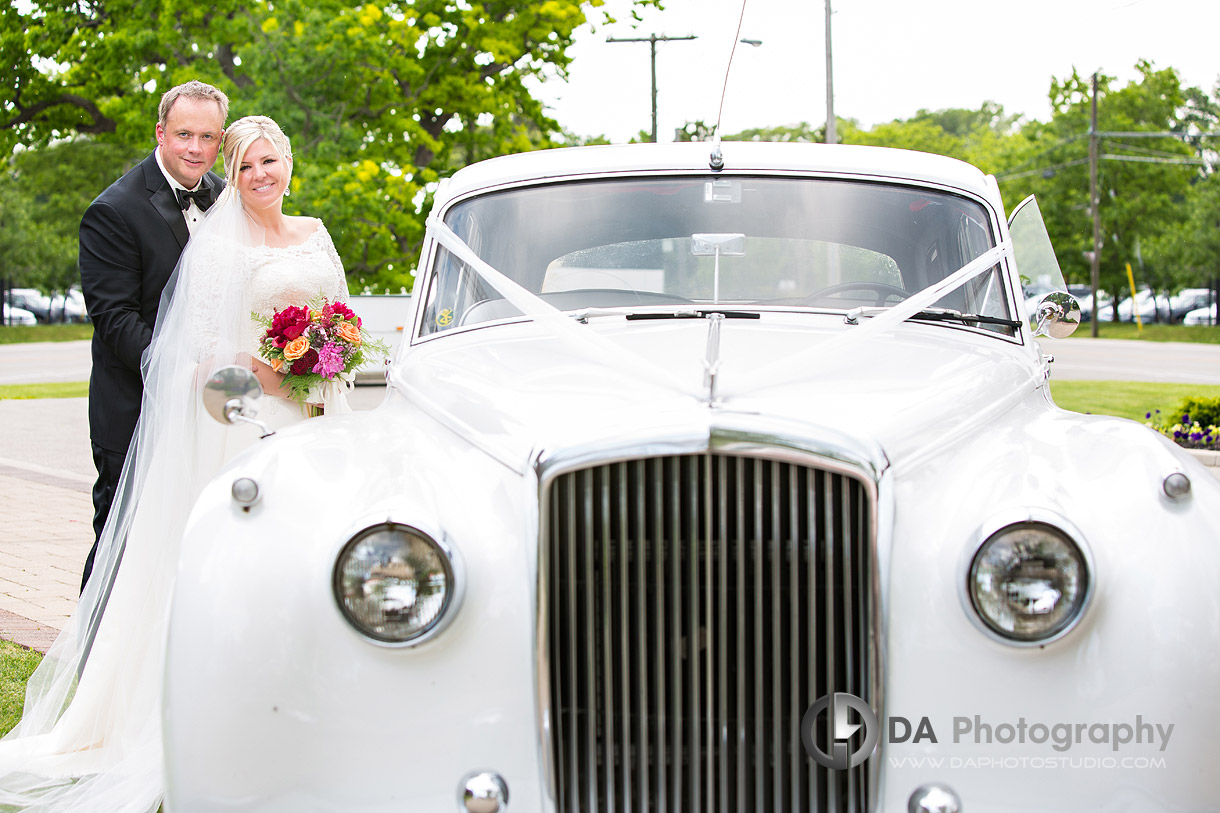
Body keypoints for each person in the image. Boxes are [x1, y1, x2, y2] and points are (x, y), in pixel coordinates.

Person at [0, 115, 350, 812]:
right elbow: (189, 337)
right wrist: (262, 372)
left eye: (269, 161)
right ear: (164, 133)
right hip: (237, 416)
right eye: (246, 165)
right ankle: (205, 704)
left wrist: (328, 361)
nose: (259, 175)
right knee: (202, 555)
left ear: (288, 163)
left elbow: (337, 318)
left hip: (315, 415)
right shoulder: (170, 225)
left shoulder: (311, 230)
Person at [78, 79, 229, 592]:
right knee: (122, 534)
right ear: (160, 133)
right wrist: (182, 373)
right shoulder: (113, 211)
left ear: (220, 140)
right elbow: (114, 317)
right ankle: (92, 656)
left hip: (210, 408)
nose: (194, 148)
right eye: (184, 133)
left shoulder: (227, 200)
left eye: (207, 137)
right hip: (135, 403)